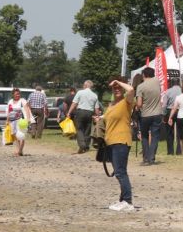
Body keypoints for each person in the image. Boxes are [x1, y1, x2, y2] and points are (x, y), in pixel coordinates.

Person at [103, 77, 136, 211]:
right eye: (114, 88)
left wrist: (118, 82)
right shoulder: (111, 105)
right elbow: (107, 118)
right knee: (118, 172)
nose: (116, 90)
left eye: (118, 88)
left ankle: (127, 201)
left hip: (121, 140)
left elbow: (132, 89)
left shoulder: (126, 102)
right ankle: (122, 200)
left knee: (121, 172)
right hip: (111, 141)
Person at [136, 67, 163, 165]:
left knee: (145, 136)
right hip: (157, 113)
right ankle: (152, 158)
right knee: (155, 136)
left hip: (145, 114)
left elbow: (139, 104)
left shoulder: (141, 87)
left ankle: (146, 158)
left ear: (143, 75)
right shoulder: (157, 82)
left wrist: (138, 106)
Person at [66, 80, 101, 154]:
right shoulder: (94, 95)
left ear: (85, 85)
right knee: (87, 130)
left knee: (79, 129)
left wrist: (69, 112)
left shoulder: (80, 92)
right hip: (89, 113)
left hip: (80, 112)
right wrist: (97, 116)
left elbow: (74, 103)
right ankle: (86, 146)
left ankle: (82, 145)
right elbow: (97, 108)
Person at [7, 88, 33, 157]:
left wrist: (28, 119)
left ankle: (20, 151)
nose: (18, 95)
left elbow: (27, 109)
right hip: (13, 121)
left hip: (21, 121)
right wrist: (7, 120)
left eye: (19, 94)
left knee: (21, 136)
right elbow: (9, 111)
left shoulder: (22, 101)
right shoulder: (10, 101)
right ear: (13, 95)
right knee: (16, 137)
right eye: (16, 94)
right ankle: (18, 150)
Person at [163, 78, 182, 155]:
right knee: (180, 132)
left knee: (169, 132)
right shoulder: (182, 91)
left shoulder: (168, 91)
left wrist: (164, 114)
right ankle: (179, 151)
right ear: (179, 83)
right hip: (180, 111)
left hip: (169, 111)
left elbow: (164, 105)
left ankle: (170, 151)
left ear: (171, 83)